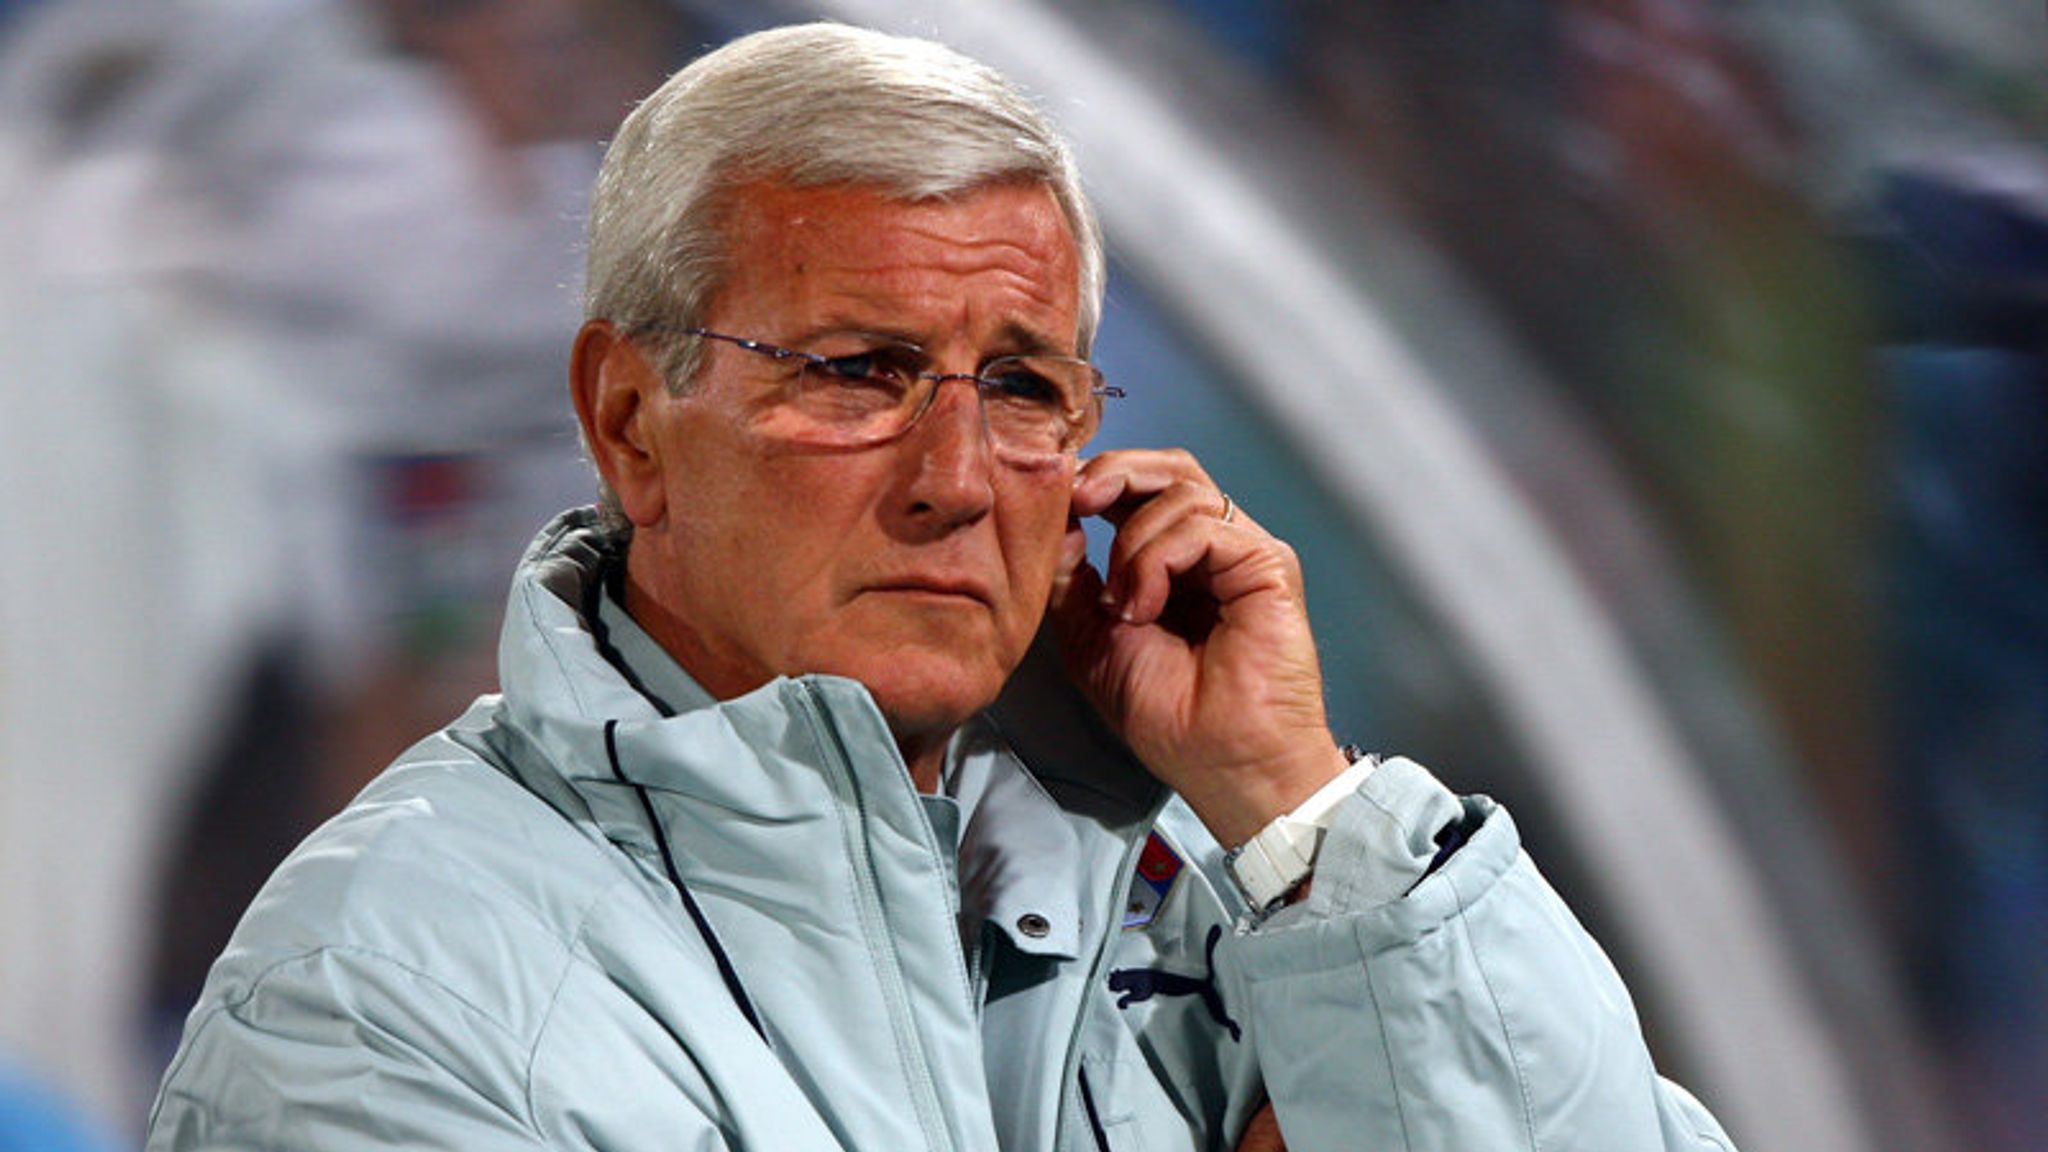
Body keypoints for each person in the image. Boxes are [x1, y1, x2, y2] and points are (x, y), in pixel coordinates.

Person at [147, 22, 1739, 1151]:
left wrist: (1297, 807)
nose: (957, 476)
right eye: (858, 371)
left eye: (1027, 387)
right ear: (630, 423)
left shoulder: (1243, 901)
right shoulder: (379, 993)